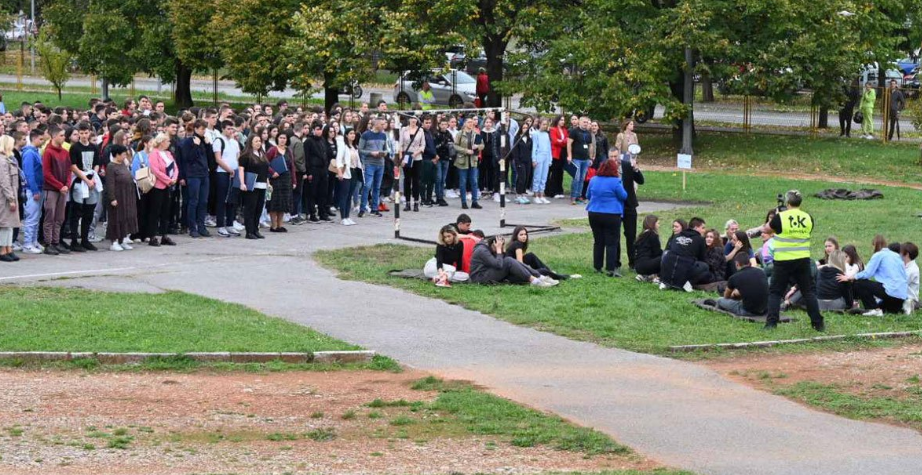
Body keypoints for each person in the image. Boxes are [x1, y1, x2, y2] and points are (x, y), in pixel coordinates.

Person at [764, 190, 824, 331]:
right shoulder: (808, 217)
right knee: (808, 292)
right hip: (802, 259)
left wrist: (778, 215)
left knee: (775, 293)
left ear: (787, 202)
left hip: (783, 260)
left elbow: (767, 229)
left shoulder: (781, 217)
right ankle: (818, 323)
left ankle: (771, 324)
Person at [838, 238, 907, 316]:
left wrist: (851, 277)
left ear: (875, 246)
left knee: (859, 283)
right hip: (901, 296)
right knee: (887, 310)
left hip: (890, 291)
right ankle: (897, 307)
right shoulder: (896, 255)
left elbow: (867, 273)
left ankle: (872, 308)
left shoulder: (879, 254)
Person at [586, 159, 627, 277]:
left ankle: (597, 267)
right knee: (611, 242)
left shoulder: (593, 180)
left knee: (598, 241)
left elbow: (588, 195)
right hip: (612, 214)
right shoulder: (616, 182)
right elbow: (624, 196)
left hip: (594, 213)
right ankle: (610, 268)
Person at [67, 122, 103, 252]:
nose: (83, 136)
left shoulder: (94, 147)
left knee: (89, 211)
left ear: (89, 133)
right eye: (81, 133)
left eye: (86, 133)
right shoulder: (75, 148)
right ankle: (74, 241)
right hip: (79, 181)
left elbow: (97, 163)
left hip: (91, 179)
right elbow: (73, 166)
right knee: (77, 211)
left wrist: (93, 177)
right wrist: (85, 179)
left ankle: (85, 239)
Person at [469, 235, 557, 287]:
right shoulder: (482, 250)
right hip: (480, 278)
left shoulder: (490, 249)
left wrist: (501, 250)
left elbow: (502, 261)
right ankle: (536, 281)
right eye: (500, 245)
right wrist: (499, 250)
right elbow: (499, 264)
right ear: (494, 244)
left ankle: (540, 277)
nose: (501, 247)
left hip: (488, 273)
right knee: (509, 261)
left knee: (512, 264)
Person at [177, 119, 212, 238]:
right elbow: (188, 158)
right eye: (202, 129)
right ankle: (192, 227)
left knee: (203, 201)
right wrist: (195, 146)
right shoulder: (189, 141)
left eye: (205, 129)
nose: (203, 131)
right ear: (196, 129)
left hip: (204, 174)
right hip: (193, 174)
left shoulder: (204, 141)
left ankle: (201, 226)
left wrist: (208, 145)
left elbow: (209, 158)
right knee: (193, 201)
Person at [788, 250, 852, 311]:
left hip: (819, 304)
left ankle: (789, 302)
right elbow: (847, 295)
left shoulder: (820, 271)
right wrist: (850, 305)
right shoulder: (841, 275)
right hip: (836, 305)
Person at [41, 127, 71, 255]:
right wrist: (60, 186)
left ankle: (56, 241)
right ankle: (48, 243)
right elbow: (47, 173)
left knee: (59, 217)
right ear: (54, 137)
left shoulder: (65, 152)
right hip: (52, 189)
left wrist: (67, 185)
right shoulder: (48, 152)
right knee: (50, 216)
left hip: (63, 189)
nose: (64, 138)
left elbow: (69, 170)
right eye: (61, 135)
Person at [104, 145, 139, 251]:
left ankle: (123, 239)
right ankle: (114, 241)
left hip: (127, 195)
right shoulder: (111, 166)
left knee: (126, 217)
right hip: (118, 195)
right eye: (123, 154)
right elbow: (110, 184)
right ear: (117, 154)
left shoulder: (123, 164)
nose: (125, 156)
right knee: (116, 218)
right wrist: (112, 198)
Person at [146, 134, 179, 247]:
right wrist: (167, 180)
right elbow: (155, 170)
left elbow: (175, 167)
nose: (169, 143)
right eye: (167, 141)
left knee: (166, 211)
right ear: (162, 142)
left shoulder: (168, 153)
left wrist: (174, 178)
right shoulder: (153, 153)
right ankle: (152, 236)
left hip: (168, 186)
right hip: (158, 185)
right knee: (155, 211)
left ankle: (164, 235)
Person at [506, 226, 573, 280]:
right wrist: (531, 271)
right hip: (514, 271)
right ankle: (562, 276)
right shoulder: (517, 244)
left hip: (512, 269)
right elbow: (520, 263)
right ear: (516, 236)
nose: (524, 236)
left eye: (525, 234)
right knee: (543, 271)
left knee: (531, 256)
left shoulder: (516, 244)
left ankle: (549, 271)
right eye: (521, 235)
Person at [661, 217, 710, 291]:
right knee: (705, 266)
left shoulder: (677, 236)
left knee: (667, 255)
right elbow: (702, 258)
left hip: (669, 268)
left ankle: (665, 281)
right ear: (696, 228)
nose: (704, 230)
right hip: (685, 270)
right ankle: (688, 284)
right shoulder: (700, 239)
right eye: (703, 228)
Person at [238, 134, 269, 240]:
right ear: (250, 142)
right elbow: (241, 169)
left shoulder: (262, 154)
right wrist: (242, 183)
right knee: (250, 208)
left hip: (262, 184)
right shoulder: (246, 155)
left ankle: (256, 230)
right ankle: (249, 231)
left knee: (259, 209)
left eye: (259, 141)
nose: (258, 143)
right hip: (251, 185)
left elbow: (265, 170)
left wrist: (268, 183)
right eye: (256, 141)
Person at [213, 120, 241, 237]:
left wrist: (236, 169)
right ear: (223, 129)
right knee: (222, 200)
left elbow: (237, 156)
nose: (231, 131)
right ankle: (220, 225)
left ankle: (230, 223)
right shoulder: (219, 141)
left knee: (232, 200)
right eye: (228, 129)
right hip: (222, 173)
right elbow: (218, 159)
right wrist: (228, 169)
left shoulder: (234, 142)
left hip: (234, 173)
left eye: (232, 129)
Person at [619, 144, 644, 270]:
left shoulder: (627, 165)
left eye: (615, 157)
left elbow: (641, 181)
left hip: (629, 205)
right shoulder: (608, 167)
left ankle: (632, 263)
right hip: (615, 206)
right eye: (611, 157)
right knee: (615, 236)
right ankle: (615, 263)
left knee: (631, 235)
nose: (614, 159)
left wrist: (635, 169)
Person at [20, 130, 44, 254]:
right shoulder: (29, 153)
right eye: (40, 139)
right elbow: (29, 173)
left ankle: (34, 241)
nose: (42, 141)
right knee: (32, 217)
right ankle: (27, 243)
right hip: (32, 189)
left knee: (37, 217)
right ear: (34, 138)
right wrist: (34, 190)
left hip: (39, 188)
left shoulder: (36, 152)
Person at [358, 117, 387, 217]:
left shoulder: (383, 135)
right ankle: (362, 208)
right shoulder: (366, 135)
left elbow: (386, 149)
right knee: (367, 185)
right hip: (369, 163)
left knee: (377, 187)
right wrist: (371, 153)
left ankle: (375, 208)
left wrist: (384, 153)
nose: (383, 126)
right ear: (376, 125)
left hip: (380, 163)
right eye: (382, 124)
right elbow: (360, 149)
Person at [453, 115, 483, 210]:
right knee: (463, 182)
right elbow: (455, 146)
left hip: (473, 161)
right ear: (465, 123)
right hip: (463, 161)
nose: (471, 124)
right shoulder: (460, 134)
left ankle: (474, 201)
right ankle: (464, 202)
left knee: (474, 181)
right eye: (469, 122)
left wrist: (477, 147)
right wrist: (466, 150)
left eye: (472, 122)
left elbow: (482, 145)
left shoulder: (476, 133)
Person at [266, 132, 294, 232]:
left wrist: (294, 181)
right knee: (274, 203)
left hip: (286, 179)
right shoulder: (272, 150)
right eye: (281, 138)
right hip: (275, 179)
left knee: (283, 203)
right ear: (277, 139)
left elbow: (292, 166)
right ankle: (273, 226)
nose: (282, 140)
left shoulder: (288, 151)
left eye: (284, 138)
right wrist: (272, 172)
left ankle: (280, 225)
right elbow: (265, 163)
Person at [0, 135, 20, 262]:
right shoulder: (2, 161)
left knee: (11, 224)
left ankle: (8, 248)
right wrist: (11, 198)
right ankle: (2, 250)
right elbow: (4, 181)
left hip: (11, 194)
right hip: (5, 197)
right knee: (5, 224)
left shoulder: (8, 159)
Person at [400, 115, 426, 212]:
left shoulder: (420, 130)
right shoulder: (404, 129)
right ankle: (407, 203)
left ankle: (416, 202)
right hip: (406, 157)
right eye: (412, 118)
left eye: (415, 118)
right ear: (409, 119)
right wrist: (401, 158)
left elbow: (423, 144)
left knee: (416, 181)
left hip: (417, 157)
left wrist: (418, 152)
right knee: (407, 180)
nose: (413, 120)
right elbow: (401, 145)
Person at [567, 116, 593, 205]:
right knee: (576, 178)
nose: (585, 124)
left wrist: (590, 157)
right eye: (584, 122)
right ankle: (573, 197)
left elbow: (590, 146)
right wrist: (569, 156)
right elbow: (569, 143)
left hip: (585, 159)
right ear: (579, 122)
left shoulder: (588, 133)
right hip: (576, 158)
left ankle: (578, 196)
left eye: (587, 122)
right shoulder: (574, 131)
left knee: (582, 178)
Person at [334, 129, 358, 226]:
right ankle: (343, 217)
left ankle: (347, 216)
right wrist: (339, 171)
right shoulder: (343, 146)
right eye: (351, 133)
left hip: (354, 171)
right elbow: (339, 159)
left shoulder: (354, 147)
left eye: (354, 133)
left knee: (349, 195)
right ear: (346, 135)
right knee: (344, 195)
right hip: (345, 172)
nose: (353, 135)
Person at [634, 215, 663, 281]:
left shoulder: (641, 235)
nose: (659, 225)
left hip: (637, 266)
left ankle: (644, 275)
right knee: (666, 257)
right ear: (653, 224)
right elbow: (657, 252)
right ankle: (658, 277)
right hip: (646, 265)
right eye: (658, 223)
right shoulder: (653, 235)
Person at [531, 118, 552, 204]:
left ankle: (542, 195)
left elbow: (549, 147)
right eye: (543, 124)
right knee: (537, 176)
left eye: (546, 124)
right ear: (539, 124)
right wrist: (534, 159)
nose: (545, 126)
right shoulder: (535, 134)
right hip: (539, 156)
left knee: (544, 177)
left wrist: (550, 159)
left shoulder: (546, 134)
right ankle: (535, 195)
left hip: (546, 156)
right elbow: (534, 147)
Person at [547, 116, 568, 199]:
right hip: (555, 153)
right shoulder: (553, 129)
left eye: (564, 120)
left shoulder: (565, 130)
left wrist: (561, 141)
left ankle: (559, 190)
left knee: (560, 173)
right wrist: (562, 141)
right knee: (555, 173)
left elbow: (567, 141)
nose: (563, 121)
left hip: (562, 154)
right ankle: (553, 191)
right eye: (561, 120)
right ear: (557, 121)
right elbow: (555, 141)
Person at [902, 242, 919, 314]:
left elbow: (900, 283)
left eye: (901, 252)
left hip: (909, 299)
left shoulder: (912, 270)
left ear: (907, 254)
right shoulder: (904, 264)